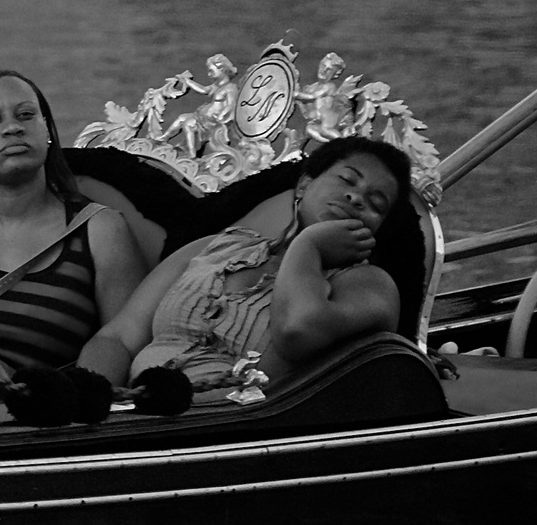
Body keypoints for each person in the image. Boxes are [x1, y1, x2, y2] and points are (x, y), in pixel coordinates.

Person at [78, 136, 416, 391]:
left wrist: (308, 244)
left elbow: (297, 330)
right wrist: (95, 401)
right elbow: (118, 338)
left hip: (237, 435)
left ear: (378, 227)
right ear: (304, 185)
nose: (356, 197)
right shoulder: (216, 248)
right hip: (132, 416)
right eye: (347, 180)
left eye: (375, 202)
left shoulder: (370, 286)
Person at [0, 70, 149, 384]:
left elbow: (127, 344)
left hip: (51, 420)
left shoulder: (100, 231)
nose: (12, 128)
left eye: (26, 115)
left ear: (47, 129)